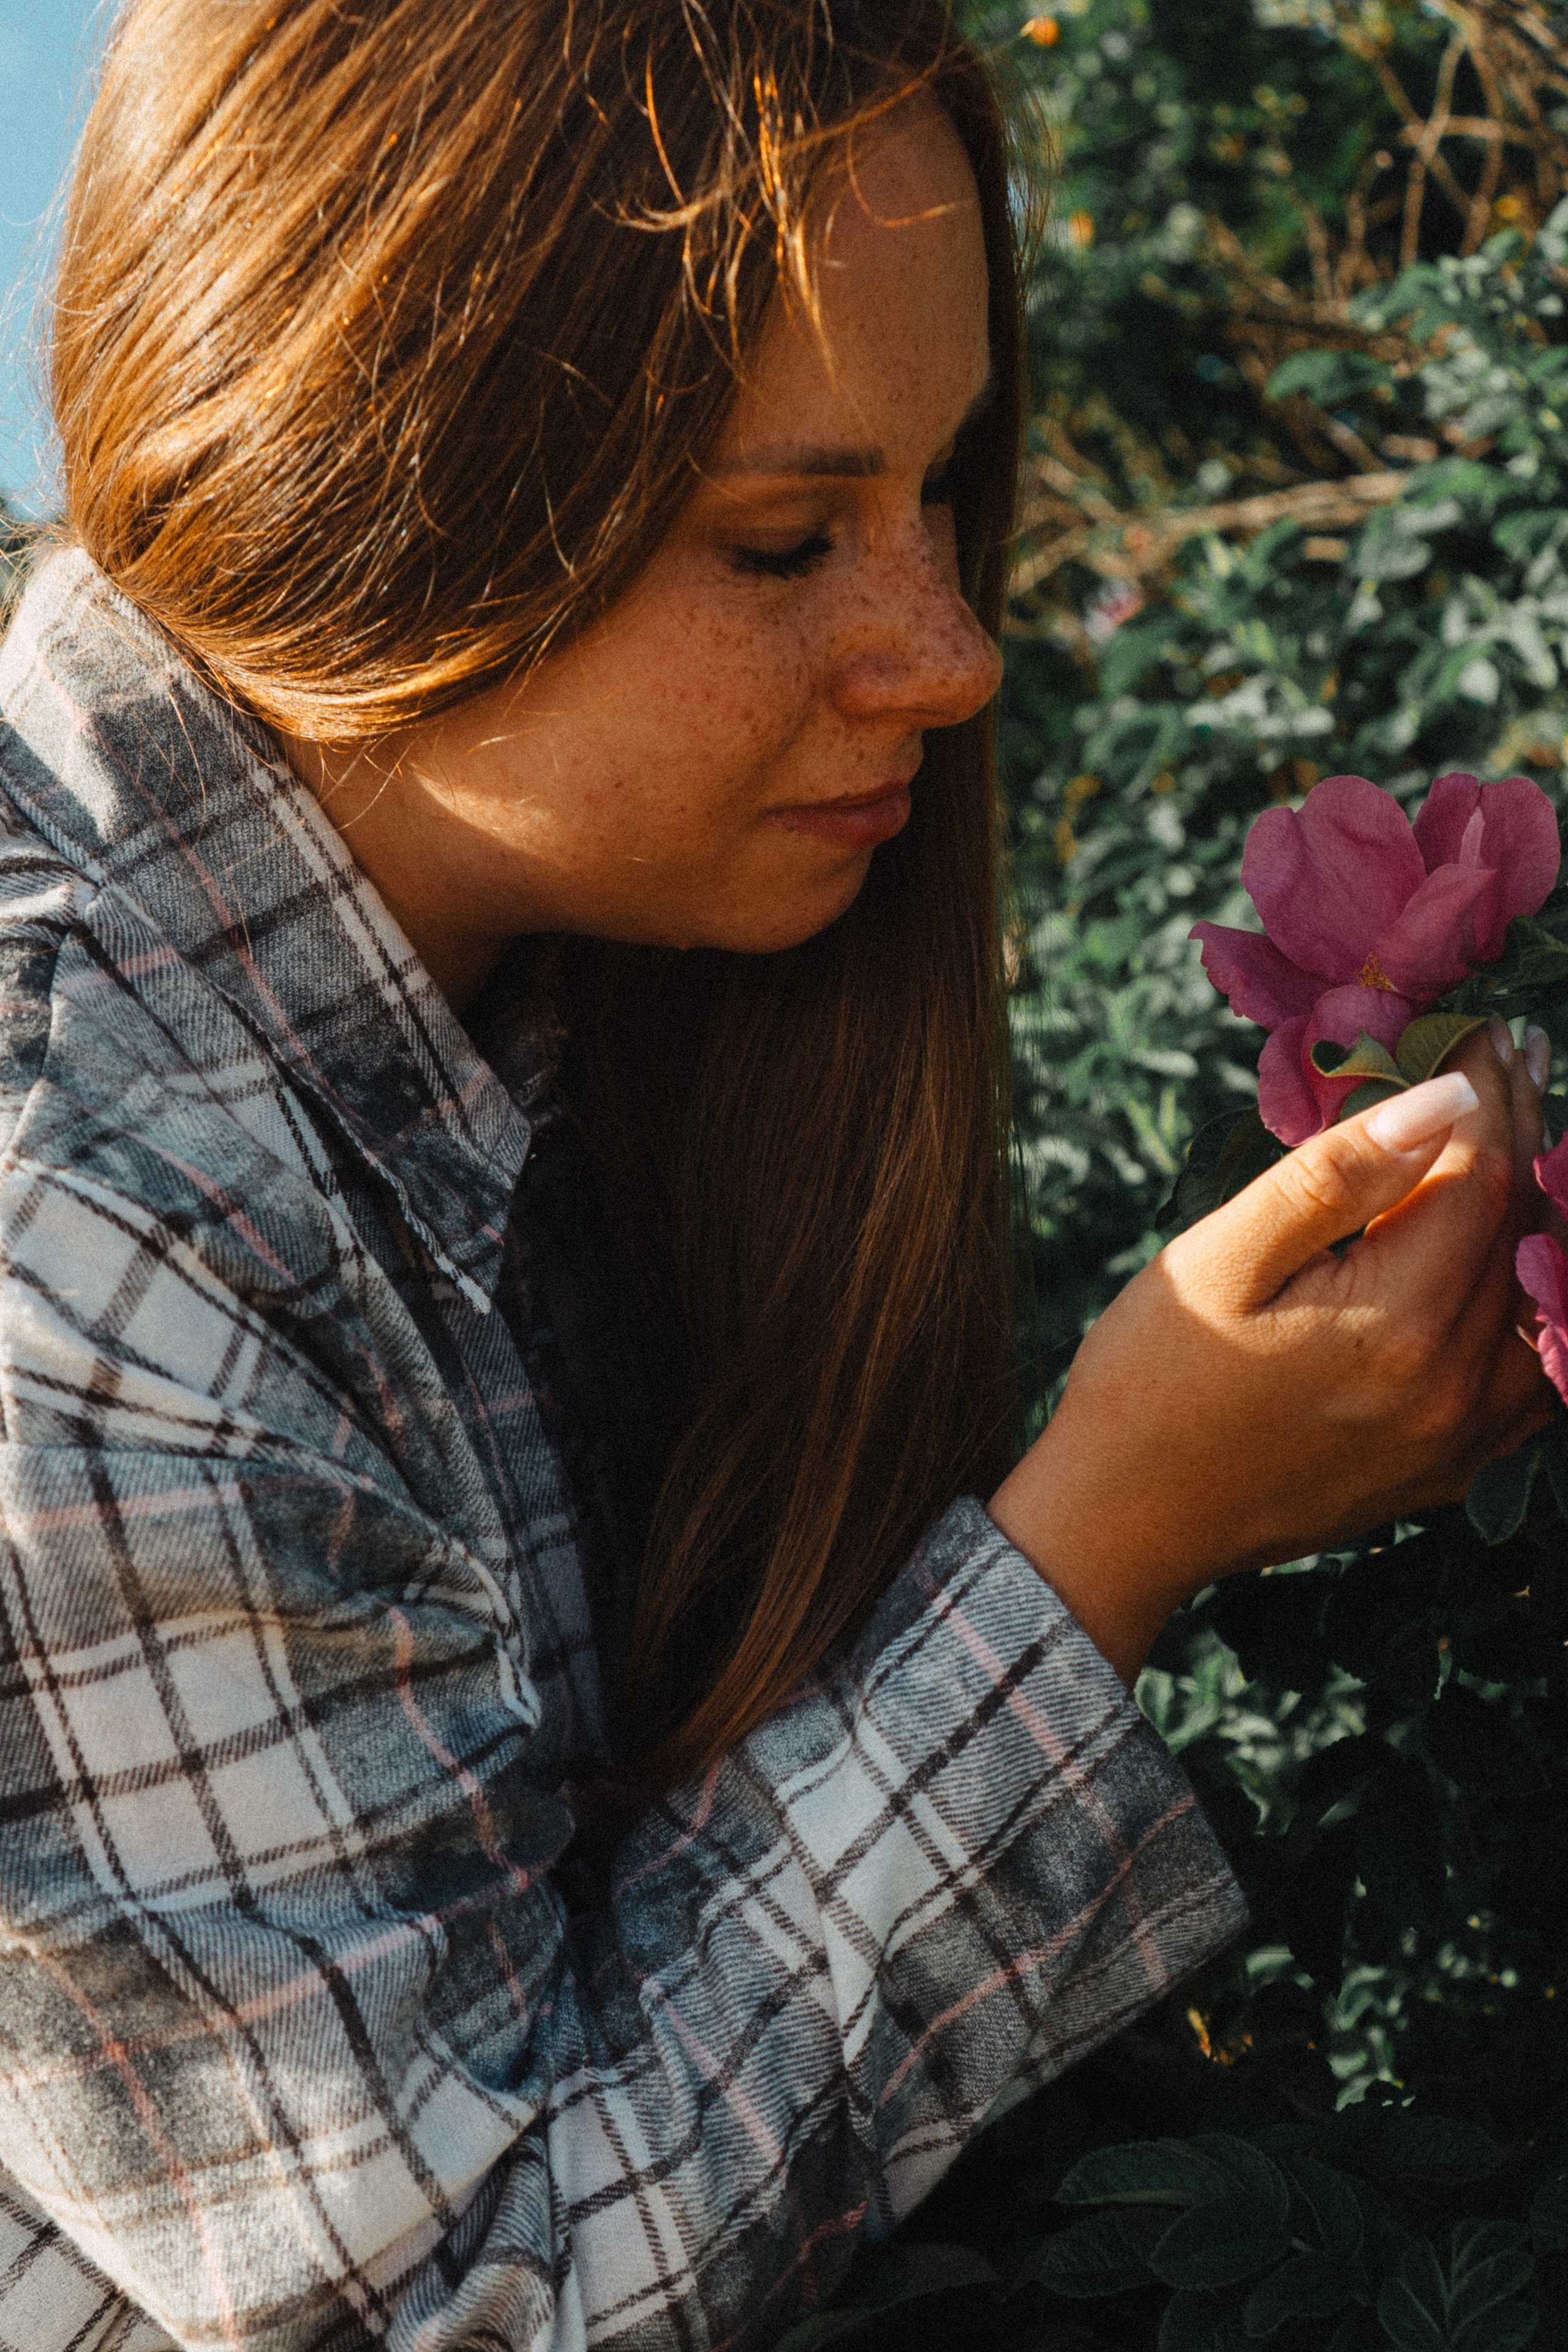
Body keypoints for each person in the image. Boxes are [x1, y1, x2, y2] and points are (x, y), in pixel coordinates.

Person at [0, 1, 1550, 2346]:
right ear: (362, 475)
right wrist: (1115, 1531)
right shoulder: (78, 1221)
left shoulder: (534, 979)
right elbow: (473, 2309)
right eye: (786, 536)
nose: (950, 651)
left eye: (942, 493)